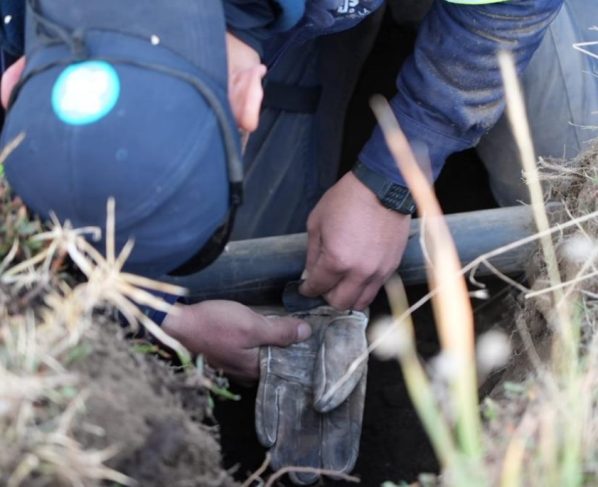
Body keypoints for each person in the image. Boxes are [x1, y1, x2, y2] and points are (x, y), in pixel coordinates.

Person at [1, 0, 596, 384]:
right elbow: (29, 252)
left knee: (576, 181)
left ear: (245, 97)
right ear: (16, 80)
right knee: (259, 280)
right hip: (288, 25)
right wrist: (161, 321)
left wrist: (393, 178)